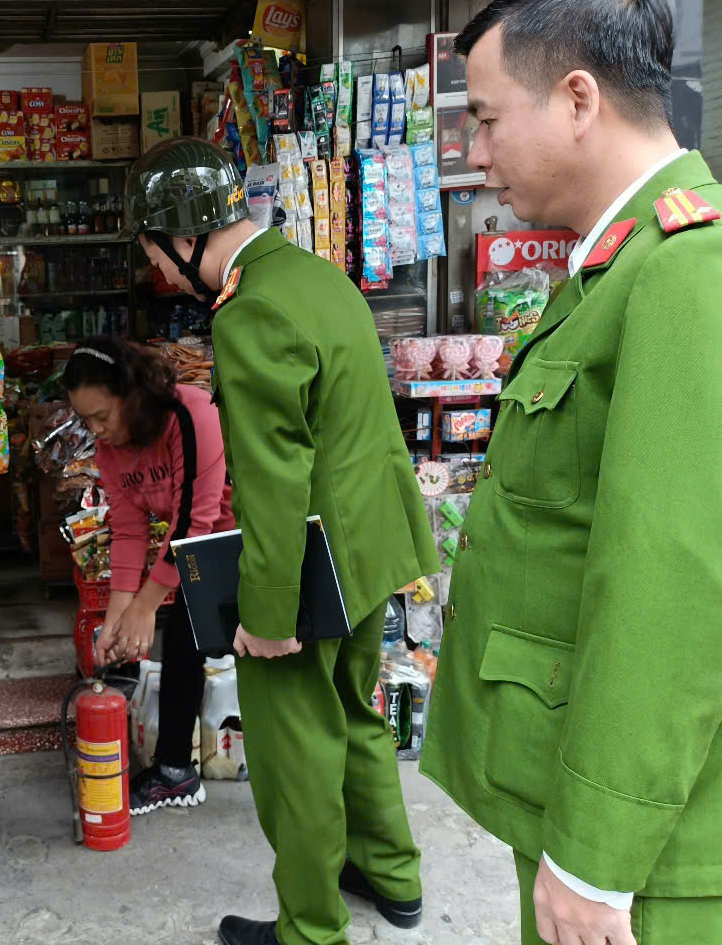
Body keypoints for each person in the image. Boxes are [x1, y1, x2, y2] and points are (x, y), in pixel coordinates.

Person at [420, 0, 722, 944]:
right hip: (587, 798)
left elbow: (670, 587)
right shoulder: (616, 265)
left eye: (486, 119)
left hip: (647, 858)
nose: (475, 153)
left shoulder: (684, 275)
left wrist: (594, 855)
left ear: (579, 100)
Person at [124, 137, 438, 945]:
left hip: (312, 564)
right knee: (356, 713)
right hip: (373, 547)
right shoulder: (312, 274)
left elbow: (272, 479)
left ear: (184, 236)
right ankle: (391, 875)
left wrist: (266, 613)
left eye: (154, 251)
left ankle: (310, 928)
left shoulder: (253, 308)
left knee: (295, 748)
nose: (157, 272)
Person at [64, 335, 235, 814]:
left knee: (197, 633)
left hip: (246, 537)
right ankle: (176, 771)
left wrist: (145, 605)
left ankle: (188, 767)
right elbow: (129, 527)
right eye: (86, 421)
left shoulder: (189, 413)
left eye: (103, 416)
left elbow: (193, 523)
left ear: (133, 395)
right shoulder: (110, 448)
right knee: (185, 638)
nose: (97, 430)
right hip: (197, 546)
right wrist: (119, 613)